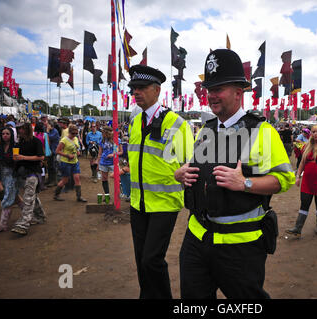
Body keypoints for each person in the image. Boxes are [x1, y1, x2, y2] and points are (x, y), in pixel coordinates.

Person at [175, 49, 295, 299]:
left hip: (240, 248)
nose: (211, 95)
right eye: (209, 89)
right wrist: (182, 174)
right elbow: (196, 168)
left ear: (239, 93)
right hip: (196, 240)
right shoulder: (205, 130)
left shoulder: (262, 132)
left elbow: (283, 180)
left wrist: (245, 183)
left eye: (218, 88)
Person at [127, 64, 194, 299]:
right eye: (133, 88)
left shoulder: (177, 123)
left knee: (152, 259)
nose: (136, 92)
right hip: (138, 203)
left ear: (156, 90)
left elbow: (191, 161)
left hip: (164, 203)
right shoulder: (135, 122)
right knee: (141, 261)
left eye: (141, 87)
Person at [287, 124, 317, 238]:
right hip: (307, 181)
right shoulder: (307, 146)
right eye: (313, 132)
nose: (315, 134)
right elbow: (302, 163)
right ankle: (297, 228)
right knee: (304, 203)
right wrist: (298, 176)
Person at [10, 122, 46, 236]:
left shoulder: (36, 141)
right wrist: (15, 158)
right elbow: (15, 157)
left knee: (28, 197)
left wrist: (24, 157)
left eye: (22, 128)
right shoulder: (19, 142)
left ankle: (24, 223)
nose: (20, 131)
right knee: (32, 196)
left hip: (33, 173)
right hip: (22, 173)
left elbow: (41, 157)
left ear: (27, 129)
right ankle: (40, 216)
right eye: (18, 129)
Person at [0, 128, 19, 232]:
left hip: (13, 175)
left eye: (7, 134)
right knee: (17, 198)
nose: (5, 135)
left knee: (7, 200)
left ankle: (2, 224)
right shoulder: (0, 147)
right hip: (4, 175)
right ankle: (33, 214)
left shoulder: (15, 146)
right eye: (3, 134)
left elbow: (14, 162)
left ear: (11, 135)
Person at [53, 124, 87, 202]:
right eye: (73, 133)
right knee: (65, 180)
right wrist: (67, 155)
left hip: (75, 162)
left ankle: (79, 196)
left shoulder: (75, 139)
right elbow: (57, 151)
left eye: (76, 133)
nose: (74, 135)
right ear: (69, 132)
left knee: (77, 178)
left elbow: (76, 147)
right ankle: (56, 194)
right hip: (66, 162)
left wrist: (78, 152)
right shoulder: (64, 140)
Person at [97, 126, 123, 201]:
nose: (102, 134)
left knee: (117, 178)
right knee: (104, 179)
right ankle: (107, 195)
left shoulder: (116, 140)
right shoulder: (102, 141)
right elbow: (100, 153)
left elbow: (121, 152)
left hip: (113, 162)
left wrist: (113, 154)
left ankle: (120, 193)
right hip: (103, 162)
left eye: (103, 133)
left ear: (107, 133)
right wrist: (98, 163)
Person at [46, 121, 60, 187]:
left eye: (48, 125)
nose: (47, 126)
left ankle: (54, 181)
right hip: (50, 150)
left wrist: (47, 131)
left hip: (54, 151)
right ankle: (49, 179)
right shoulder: (51, 131)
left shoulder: (55, 131)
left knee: (54, 166)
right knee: (49, 166)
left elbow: (49, 137)